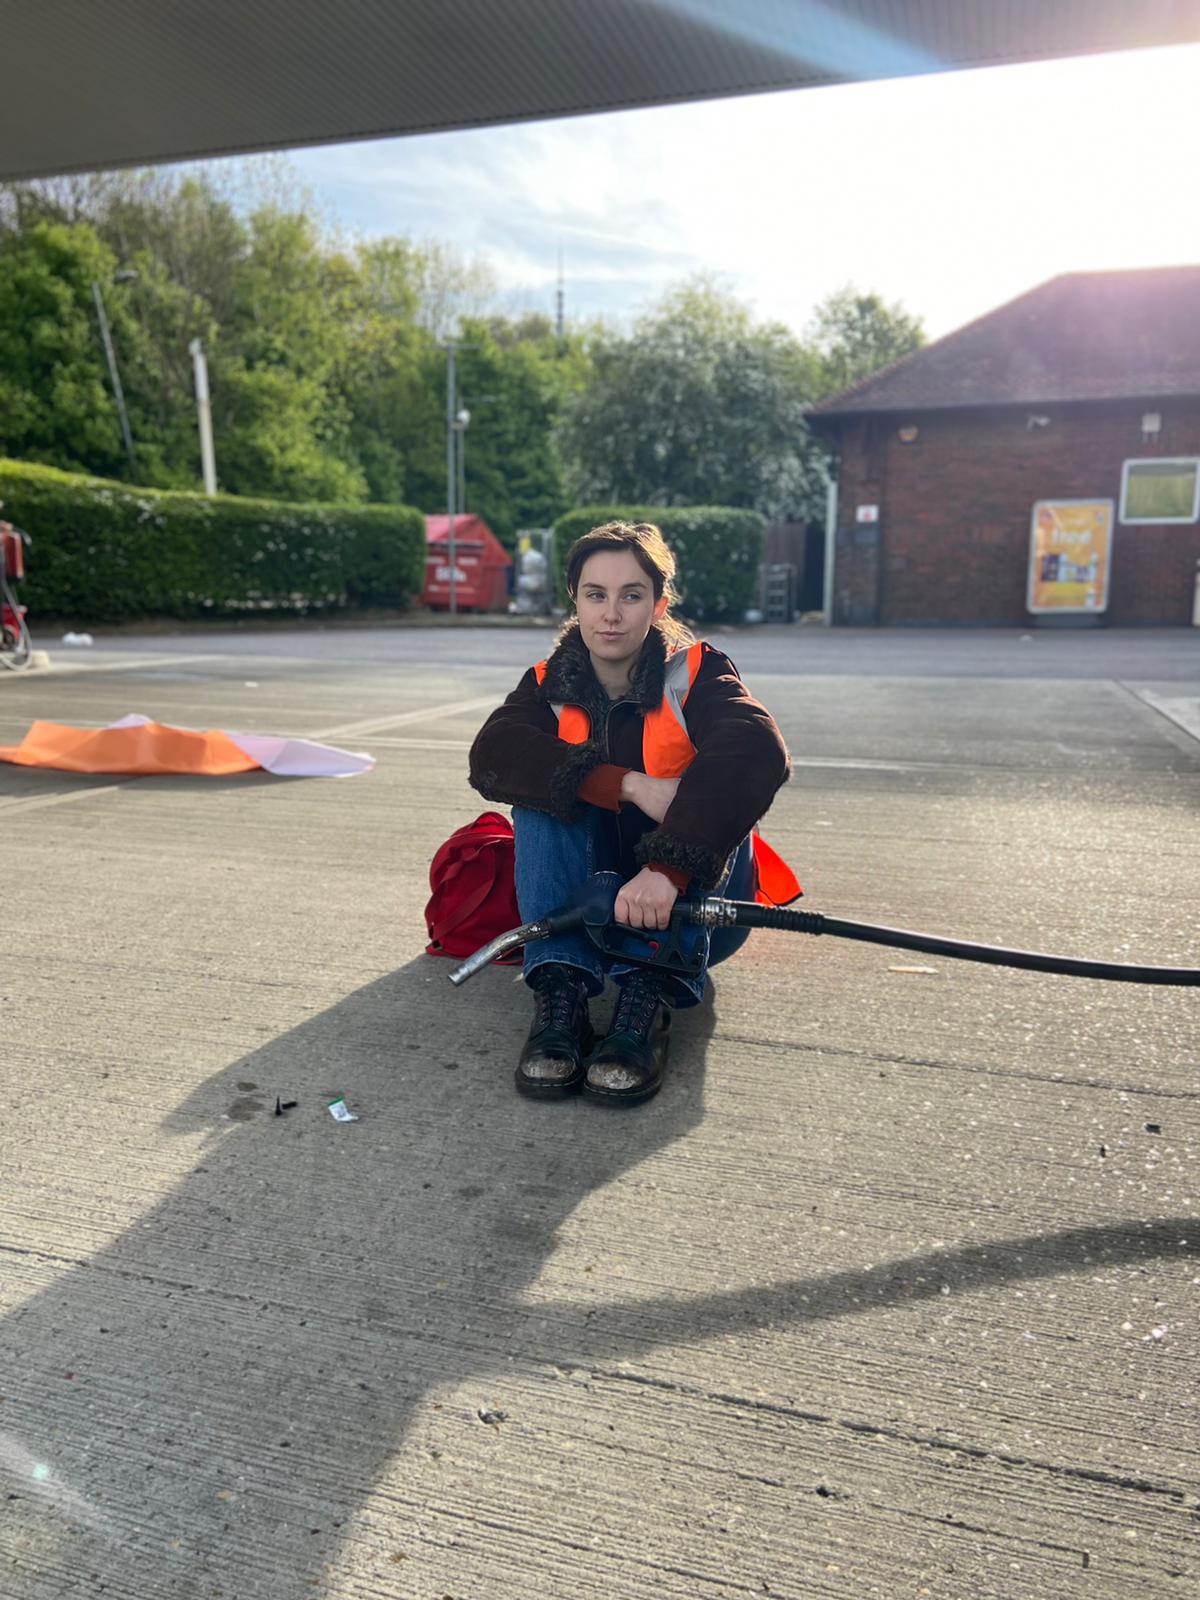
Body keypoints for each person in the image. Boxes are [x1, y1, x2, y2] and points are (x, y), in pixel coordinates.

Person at [469, 520, 793, 1106]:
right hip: (591, 907)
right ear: (576, 599)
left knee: (722, 793)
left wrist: (668, 869)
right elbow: (493, 756)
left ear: (658, 603)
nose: (611, 614)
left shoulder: (697, 674)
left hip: (692, 909)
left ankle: (649, 993)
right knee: (537, 796)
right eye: (596, 595)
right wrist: (630, 785)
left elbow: (758, 751)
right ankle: (562, 992)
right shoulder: (547, 683)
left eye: (631, 595)